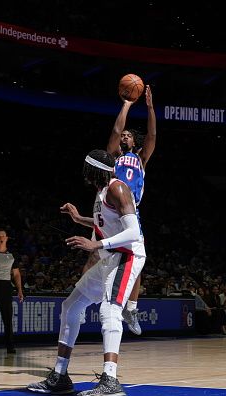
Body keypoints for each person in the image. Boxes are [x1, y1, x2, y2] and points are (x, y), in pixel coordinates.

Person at [27, 149, 145, 396]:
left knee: (109, 310)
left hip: (126, 256)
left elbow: (133, 232)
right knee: (70, 307)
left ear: (93, 171)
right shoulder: (101, 192)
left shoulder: (118, 188)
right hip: (108, 258)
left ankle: (110, 380)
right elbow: (105, 223)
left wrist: (96, 244)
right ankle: (60, 376)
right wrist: (79, 219)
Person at [80, 84, 156, 335]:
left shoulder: (141, 159)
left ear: (135, 141)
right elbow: (114, 130)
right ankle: (80, 305)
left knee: (136, 262)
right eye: (122, 135)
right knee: (93, 256)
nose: (123, 136)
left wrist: (150, 108)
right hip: (109, 205)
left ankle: (131, 308)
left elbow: (153, 137)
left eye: (128, 135)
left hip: (129, 210)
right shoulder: (112, 160)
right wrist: (126, 104)